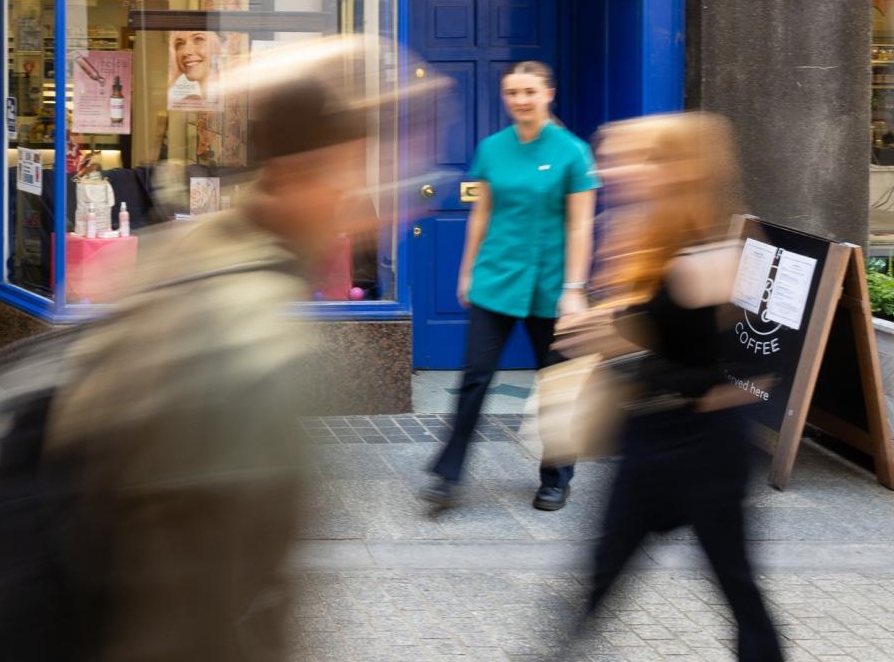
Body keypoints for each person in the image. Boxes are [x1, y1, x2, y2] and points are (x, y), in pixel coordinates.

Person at [39, 36, 434, 662]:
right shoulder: (247, 343)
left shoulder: (200, 256)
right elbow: (197, 615)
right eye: (372, 169)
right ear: (313, 170)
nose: (388, 197)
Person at [562, 112, 784, 661]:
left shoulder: (712, 257)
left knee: (738, 589)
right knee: (598, 578)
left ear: (681, 170)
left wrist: (622, 344)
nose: (612, 169)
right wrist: (610, 338)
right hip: (649, 440)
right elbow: (663, 343)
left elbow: (755, 371)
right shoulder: (646, 241)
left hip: (705, 451)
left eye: (635, 158)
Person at [422, 60, 598, 511]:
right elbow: (482, 213)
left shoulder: (572, 152)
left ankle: (556, 478)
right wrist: (467, 271)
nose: (520, 100)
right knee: (474, 377)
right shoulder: (492, 149)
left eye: (529, 91)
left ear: (548, 95)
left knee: (556, 385)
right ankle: (446, 475)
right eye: (512, 92)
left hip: (552, 284)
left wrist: (575, 288)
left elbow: (581, 227)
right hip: (497, 278)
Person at [168, 29, 222, 107]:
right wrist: (172, 75)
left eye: (198, 39)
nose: (186, 52)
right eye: (180, 44)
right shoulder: (187, 103)